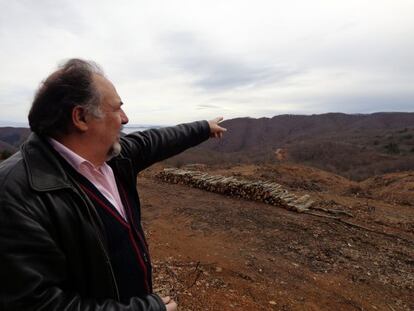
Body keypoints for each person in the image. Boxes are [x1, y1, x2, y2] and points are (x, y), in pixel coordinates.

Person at [0, 59, 226, 310]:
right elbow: (34, 303)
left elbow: (156, 140)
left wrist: (204, 128)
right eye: (117, 108)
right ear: (81, 117)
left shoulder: (113, 157)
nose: (125, 118)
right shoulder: (15, 193)